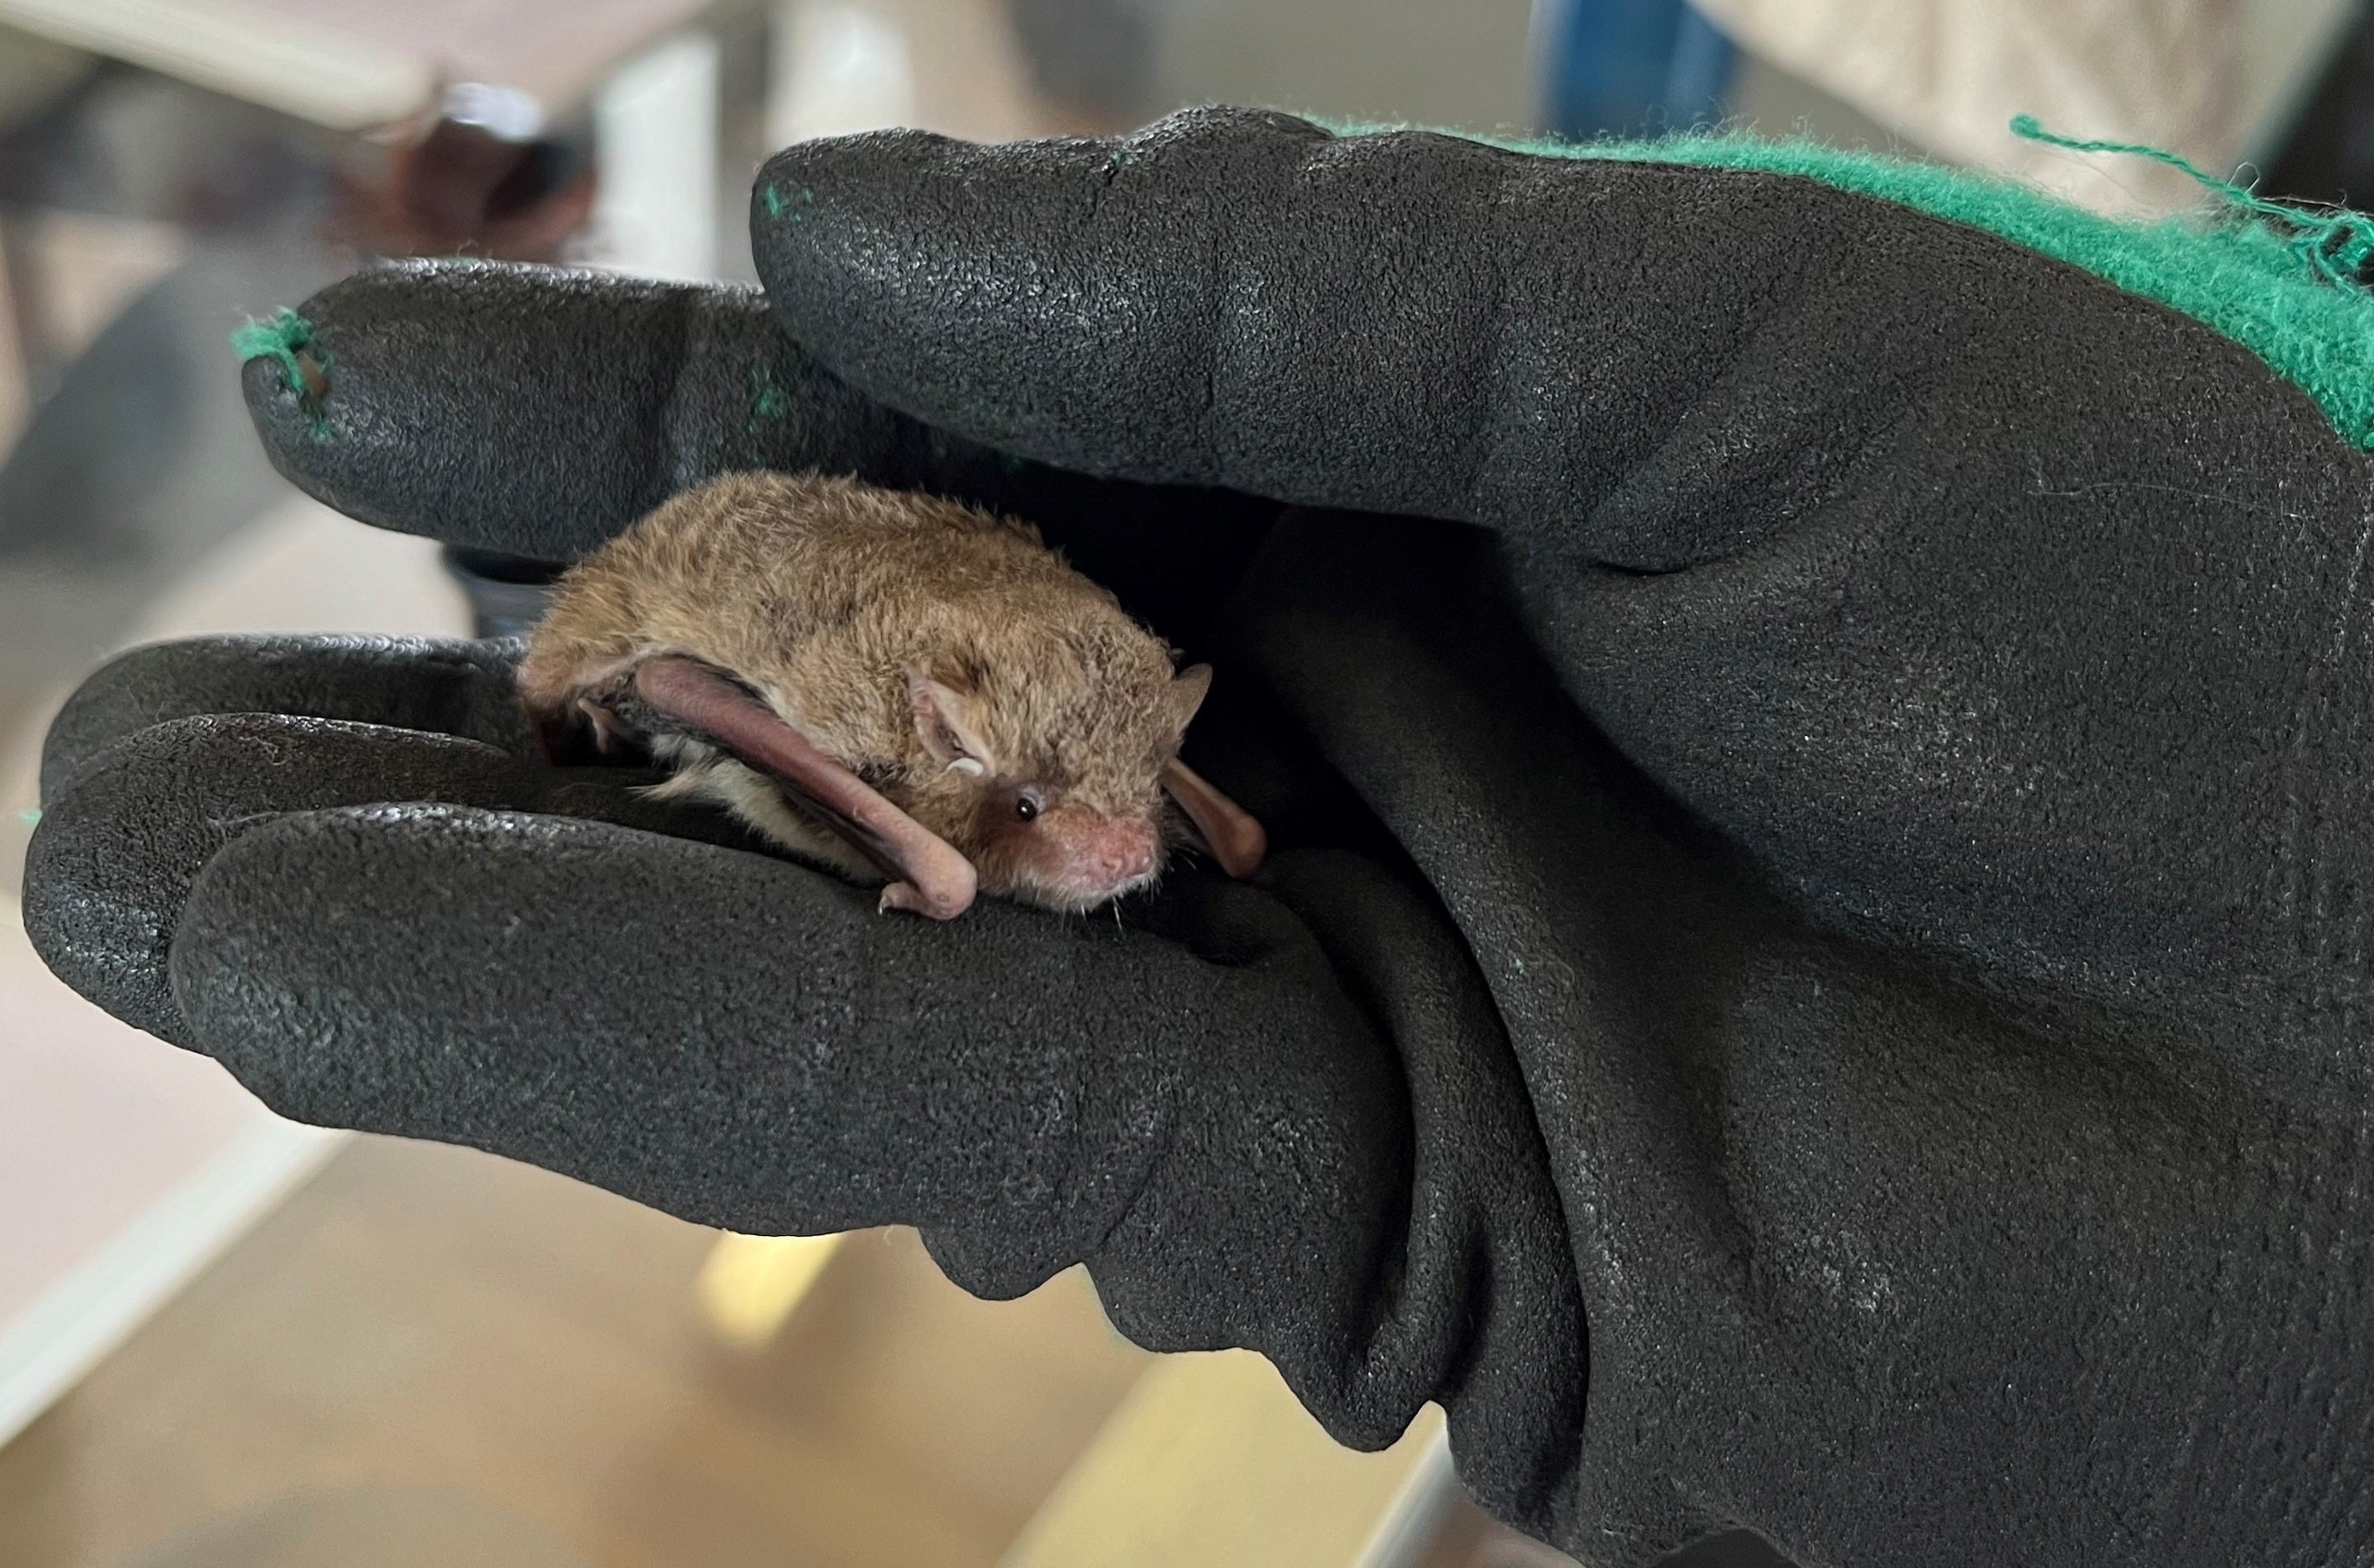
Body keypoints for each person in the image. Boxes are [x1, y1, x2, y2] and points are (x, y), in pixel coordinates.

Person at [24, 107, 2374, 1566]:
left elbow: (1102, 785)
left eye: (1140, 803)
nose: (1117, 851)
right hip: (750, 640)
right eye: (1060, 829)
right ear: (946, 763)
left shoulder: (1101, 737)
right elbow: (753, 692)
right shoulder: (893, 735)